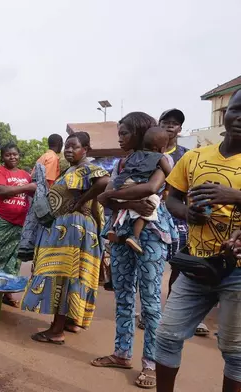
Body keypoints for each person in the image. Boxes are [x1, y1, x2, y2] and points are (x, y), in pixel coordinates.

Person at [155, 90, 241, 392]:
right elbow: (172, 199)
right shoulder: (194, 157)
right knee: (166, 336)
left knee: (235, 352)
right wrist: (188, 214)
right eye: (236, 110)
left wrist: (234, 196)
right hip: (196, 265)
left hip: (238, 273)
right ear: (224, 114)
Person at [91, 112, 176, 389]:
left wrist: (112, 197)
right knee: (123, 295)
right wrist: (118, 201)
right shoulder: (122, 163)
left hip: (151, 234)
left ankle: (151, 363)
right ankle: (122, 353)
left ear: (140, 134)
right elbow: (109, 199)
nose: (120, 137)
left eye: (125, 133)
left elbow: (151, 189)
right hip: (120, 233)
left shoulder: (161, 158)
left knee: (150, 302)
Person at [22, 132, 109, 343]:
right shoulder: (72, 169)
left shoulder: (86, 167)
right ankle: (69, 321)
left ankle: (56, 330)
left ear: (85, 150)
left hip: (72, 231)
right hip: (72, 230)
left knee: (62, 276)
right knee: (72, 277)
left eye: (74, 146)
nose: (69, 150)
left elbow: (104, 181)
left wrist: (81, 203)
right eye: (67, 147)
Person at [159, 109, 210, 337]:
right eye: (166, 122)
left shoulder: (187, 155)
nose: (171, 126)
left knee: (181, 266)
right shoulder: (149, 152)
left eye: (175, 123)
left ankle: (175, 311)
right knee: (154, 266)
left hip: (180, 218)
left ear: (180, 129)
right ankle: (153, 313)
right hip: (153, 217)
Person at [104, 127, 172, 253]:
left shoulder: (131, 156)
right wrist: (167, 190)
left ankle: (112, 229)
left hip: (122, 182)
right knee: (150, 203)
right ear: (161, 148)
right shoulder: (160, 157)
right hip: (137, 185)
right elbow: (171, 175)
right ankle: (135, 237)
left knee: (117, 204)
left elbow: (124, 167)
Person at [0, 143, 35, 306]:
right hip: (1, 220)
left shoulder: (25, 174)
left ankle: (7, 293)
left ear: (19, 156)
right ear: (2, 157)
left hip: (20, 223)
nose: (12, 157)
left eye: (15, 154)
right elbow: (1, 191)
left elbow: (34, 194)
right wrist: (28, 187)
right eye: (8, 155)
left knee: (14, 260)